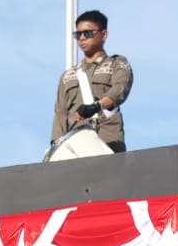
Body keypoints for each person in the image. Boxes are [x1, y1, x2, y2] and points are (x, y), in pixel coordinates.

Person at [51, 10, 132, 152]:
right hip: (76, 147)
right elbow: (60, 114)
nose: (82, 38)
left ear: (104, 34)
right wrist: (56, 147)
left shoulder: (117, 64)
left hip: (107, 143)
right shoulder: (68, 76)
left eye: (87, 33)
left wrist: (97, 106)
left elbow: (120, 88)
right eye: (78, 34)